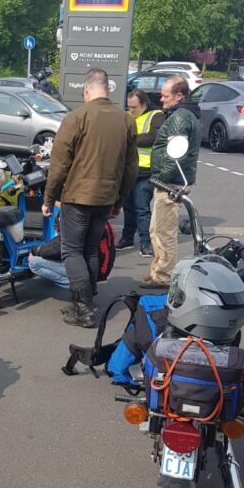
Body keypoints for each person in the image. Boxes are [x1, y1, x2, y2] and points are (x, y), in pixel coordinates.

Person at [43, 68, 138, 327]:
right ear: (108, 89)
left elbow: (59, 165)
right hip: (106, 199)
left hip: (77, 197)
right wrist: (119, 200)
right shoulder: (126, 120)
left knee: (71, 251)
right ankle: (89, 297)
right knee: (91, 249)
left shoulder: (76, 118)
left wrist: (49, 200)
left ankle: (83, 310)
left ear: (86, 90)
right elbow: (131, 168)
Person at [141, 75, 200, 290]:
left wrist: (161, 178)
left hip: (169, 184)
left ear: (179, 96)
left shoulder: (179, 117)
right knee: (157, 229)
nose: (161, 99)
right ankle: (158, 269)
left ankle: (164, 276)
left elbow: (176, 155)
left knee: (163, 231)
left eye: (166, 96)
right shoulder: (181, 114)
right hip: (171, 182)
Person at [116, 89, 165, 257]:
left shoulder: (156, 116)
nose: (131, 110)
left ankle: (146, 243)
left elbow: (154, 137)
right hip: (128, 170)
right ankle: (127, 238)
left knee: (141, 208)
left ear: (144, 104)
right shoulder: (128, 116)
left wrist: (130, 138)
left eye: (134, 107)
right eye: (129, 107)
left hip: (145, 171)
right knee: (128, 207)